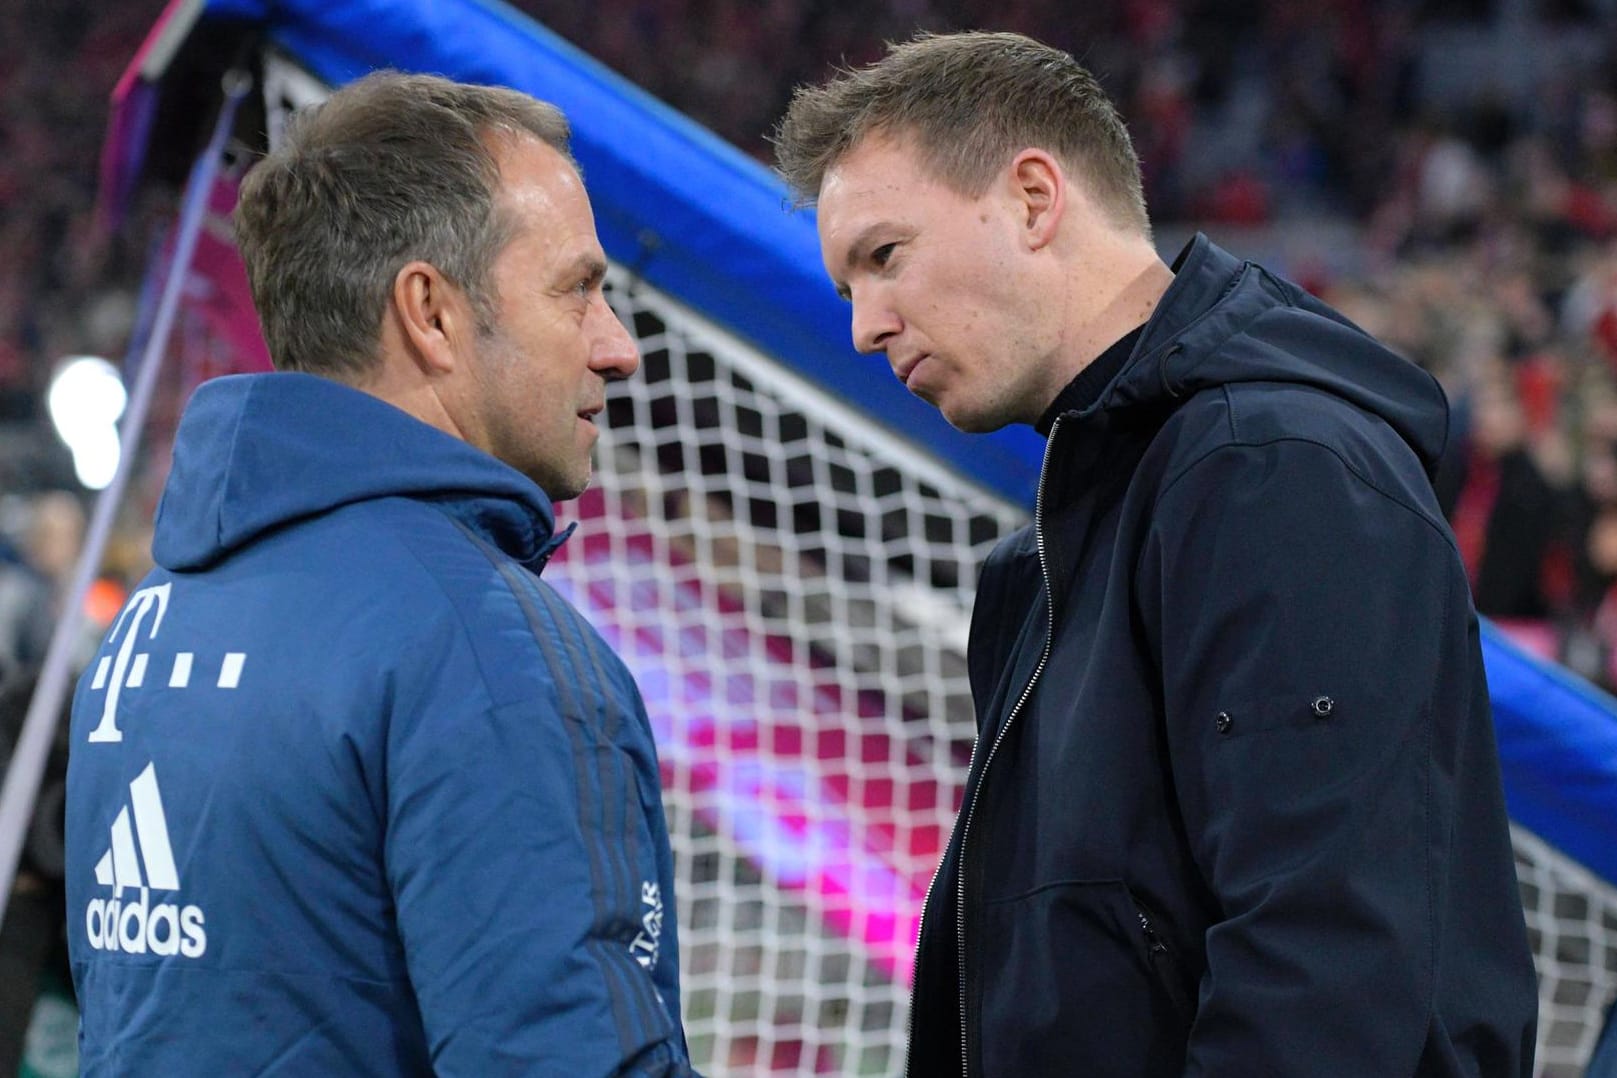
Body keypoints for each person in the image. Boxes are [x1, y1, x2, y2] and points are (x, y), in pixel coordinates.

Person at [774, 31, 1538, 1077]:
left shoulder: (1271, 469)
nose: (864, 326)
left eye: (885, 256)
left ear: (1036, 198)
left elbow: (1322, 966)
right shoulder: (1089, 524)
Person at [65, 71, 695, 1076]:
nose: (617, 349)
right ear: (430, 313)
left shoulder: (150, 620)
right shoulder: (486, 648)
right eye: (578, 288)